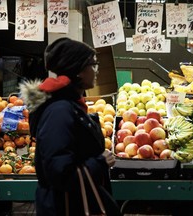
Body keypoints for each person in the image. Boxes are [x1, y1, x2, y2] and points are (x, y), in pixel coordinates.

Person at [19, 37, 122, 216]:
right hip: (66, 207)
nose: (96, 71)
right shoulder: (60, 110)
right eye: (93, 65)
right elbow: (60, 173)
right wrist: (100, 162)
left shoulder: (68, 104)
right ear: (79, 71)